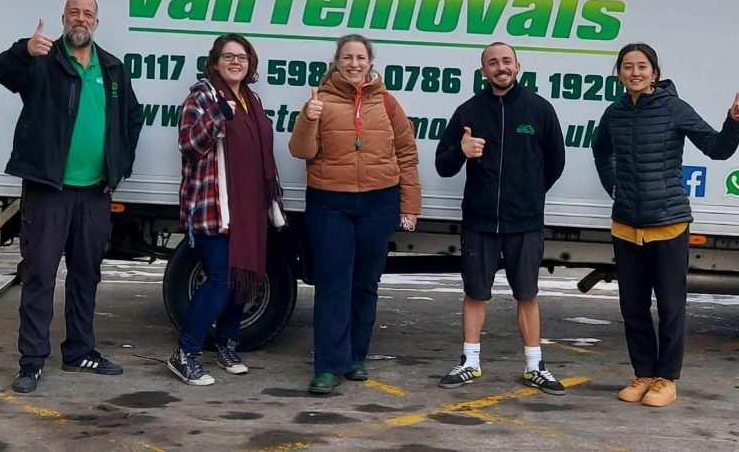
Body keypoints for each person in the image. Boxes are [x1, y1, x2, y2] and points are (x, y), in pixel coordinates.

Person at [0, 0, 143, 394]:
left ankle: (79, 350)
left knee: (86, 275)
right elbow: (0, 71)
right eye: (74, 12)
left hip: (94, 192)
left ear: (96, 22)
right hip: (49, 189)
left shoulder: (112, 68)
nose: (81, 18)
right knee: (40, 274)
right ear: (63, 18)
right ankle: (32, 361)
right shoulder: (42, 60)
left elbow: (131, 119)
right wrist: (24, 50)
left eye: (88, 13)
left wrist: (119, 167)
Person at [592, 42, 739, 408]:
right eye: (627, 66)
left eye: (642, 66)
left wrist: (734, 123)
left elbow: (717, 148)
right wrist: (612, 184)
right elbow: (601, 151)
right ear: (619, 74)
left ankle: (666, 379)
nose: (635, 72)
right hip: (626, 226)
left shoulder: (674, 108)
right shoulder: (614, 113)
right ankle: (643, 374)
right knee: (632, 307)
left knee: (671, 307)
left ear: (655, 73)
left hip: (669, 224)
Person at [288, 34, 420, 395]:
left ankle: (356, 357)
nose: (354, 64)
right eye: (347, 57)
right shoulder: (319, 100)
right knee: (333, 284)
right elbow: (301, 150)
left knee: (365, 283)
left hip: (379, 204)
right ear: (337, 62)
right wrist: (308, 119)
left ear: (370, 62)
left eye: (360, 57)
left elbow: (406, 154)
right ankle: (328, 366)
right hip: (330, 204)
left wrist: (410, 205)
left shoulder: (387, 103)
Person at [434, 42, 566, 395]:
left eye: (506, 61)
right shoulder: (469, 111)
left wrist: (530, 195)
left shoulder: (539, 109)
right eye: (492, 62)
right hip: (480, 222)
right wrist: (461, 152)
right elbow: (443, 165)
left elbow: (556, 162)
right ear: (483, 71)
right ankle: (470, 362)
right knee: (475, 294)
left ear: (518, 67)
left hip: (525, 223)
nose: (500, 67)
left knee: (527, 294)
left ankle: (535, 366)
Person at [167, 34, 285, 386]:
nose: (236, 62)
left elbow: (263, 154)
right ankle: (184, 354)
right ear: (215, 62)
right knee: (220, 280)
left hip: (249, 210)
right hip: (214, 206)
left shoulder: (252, 99)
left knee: (241, 280)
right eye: (228, 56)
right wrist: (218, 115)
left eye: (242, 57)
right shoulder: (201, 96)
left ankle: (226, 345)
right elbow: (188, 145)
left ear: (250, 64)